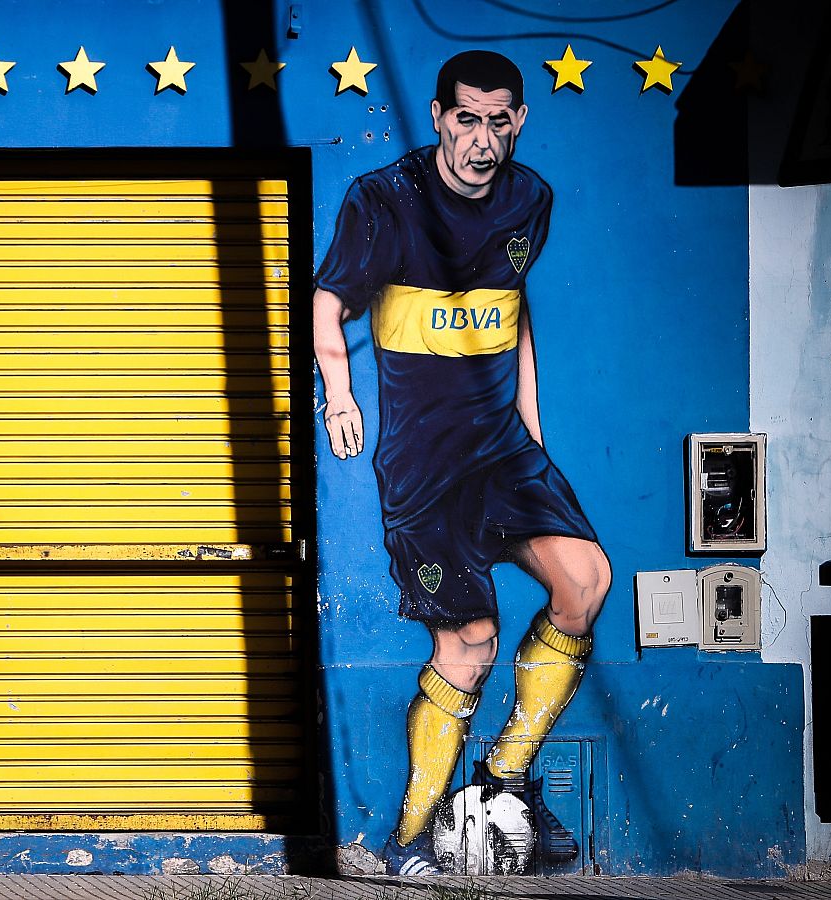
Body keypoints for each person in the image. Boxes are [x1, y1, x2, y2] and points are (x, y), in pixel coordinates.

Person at [311, 51, 610, 876]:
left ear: (519, 122)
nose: (482, 139)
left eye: (498, 121)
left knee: (585, 582)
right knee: (470, 644)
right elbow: (328, 303)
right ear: (441, 117)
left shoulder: (529, 200)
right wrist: (339, 397)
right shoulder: (385, 200)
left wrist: (533, 431)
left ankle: (506, 774)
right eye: (467, 119)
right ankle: (410, 838)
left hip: (503, 452)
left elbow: (514, 314)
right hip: (424, 467)